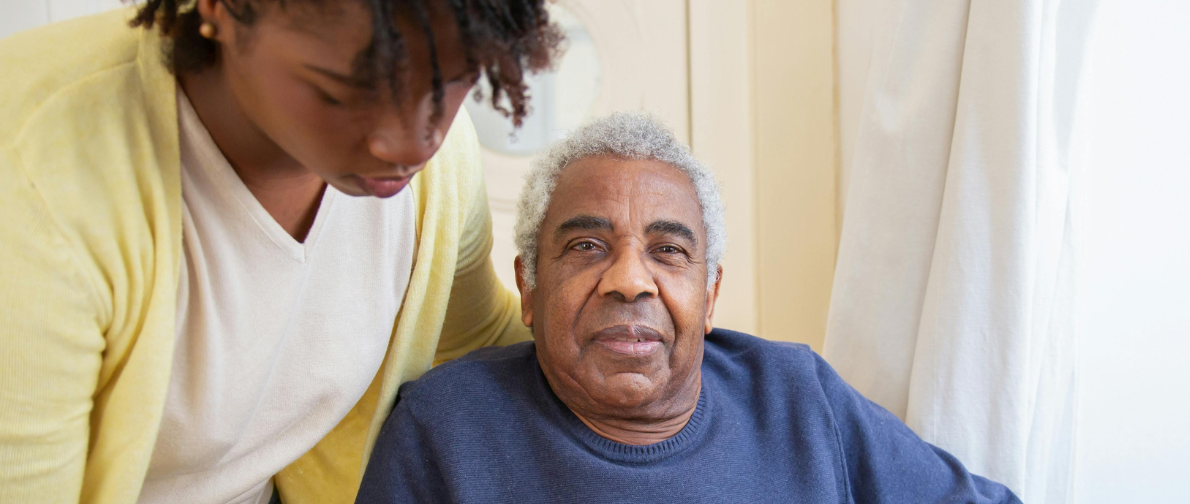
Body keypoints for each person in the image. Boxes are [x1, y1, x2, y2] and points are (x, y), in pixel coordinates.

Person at [0, 1, 562, 503]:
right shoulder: (16, 173)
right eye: (339, 91)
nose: (410, 142)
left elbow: (481, 344)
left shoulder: (441, 174)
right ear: (219, 8)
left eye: (449, 83)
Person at [354, 112, 1023, 503]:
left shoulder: (798, 398)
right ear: (528, 287)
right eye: (587, 246)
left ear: (709, 296)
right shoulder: (444, 429)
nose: (629, 282)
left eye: (668, 251)